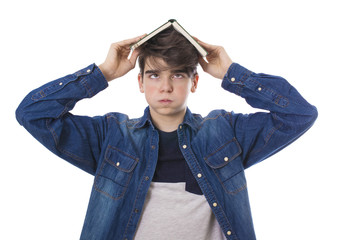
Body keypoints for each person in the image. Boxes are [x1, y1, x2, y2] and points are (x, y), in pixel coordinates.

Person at [16, 26, 317, 240]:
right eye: (154, 74)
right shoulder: (112, 136)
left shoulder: (225, 131)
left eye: (177, 74)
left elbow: (299, 114)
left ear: (194, 82)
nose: (166, 86)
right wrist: (103, 73)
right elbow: (32, 114)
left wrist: (232, 73)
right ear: (140, 82)